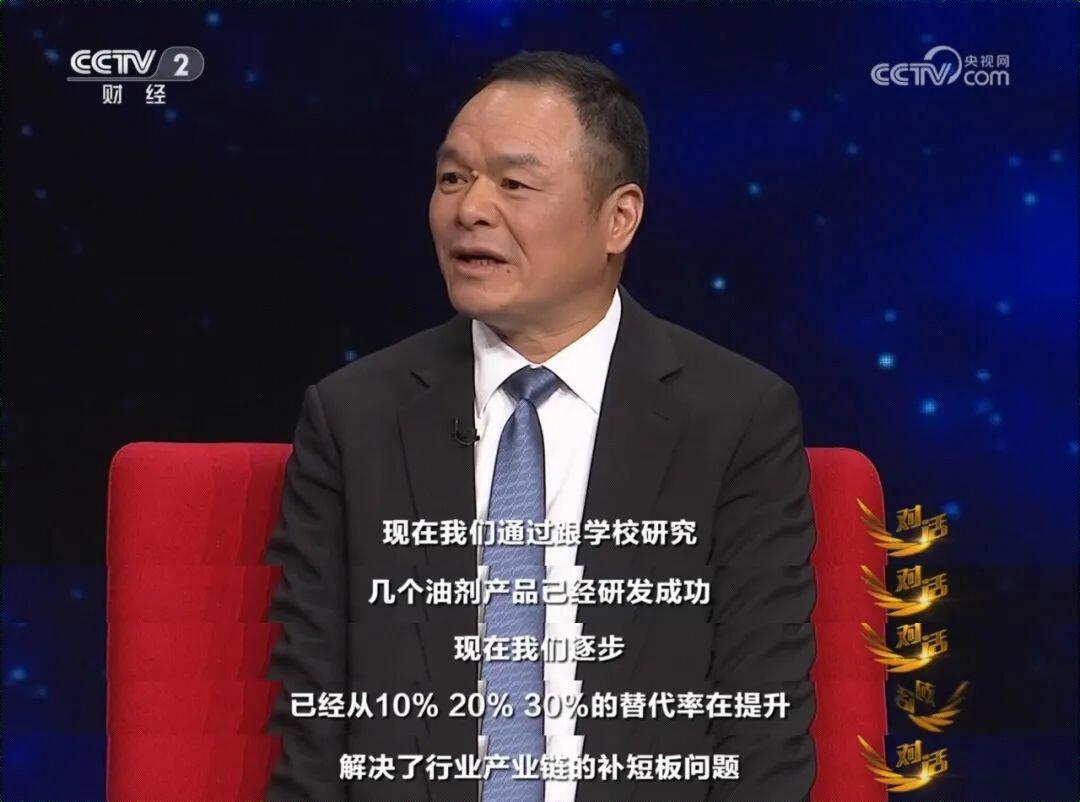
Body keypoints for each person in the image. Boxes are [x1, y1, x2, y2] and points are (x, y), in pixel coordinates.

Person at [264, 50, 816, 802]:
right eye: (452, 178)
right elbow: (316, 728)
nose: (470, 210)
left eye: (514, 184)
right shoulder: (353, 417)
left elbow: (762, 732)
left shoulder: (736, 419)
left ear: (618, 218)